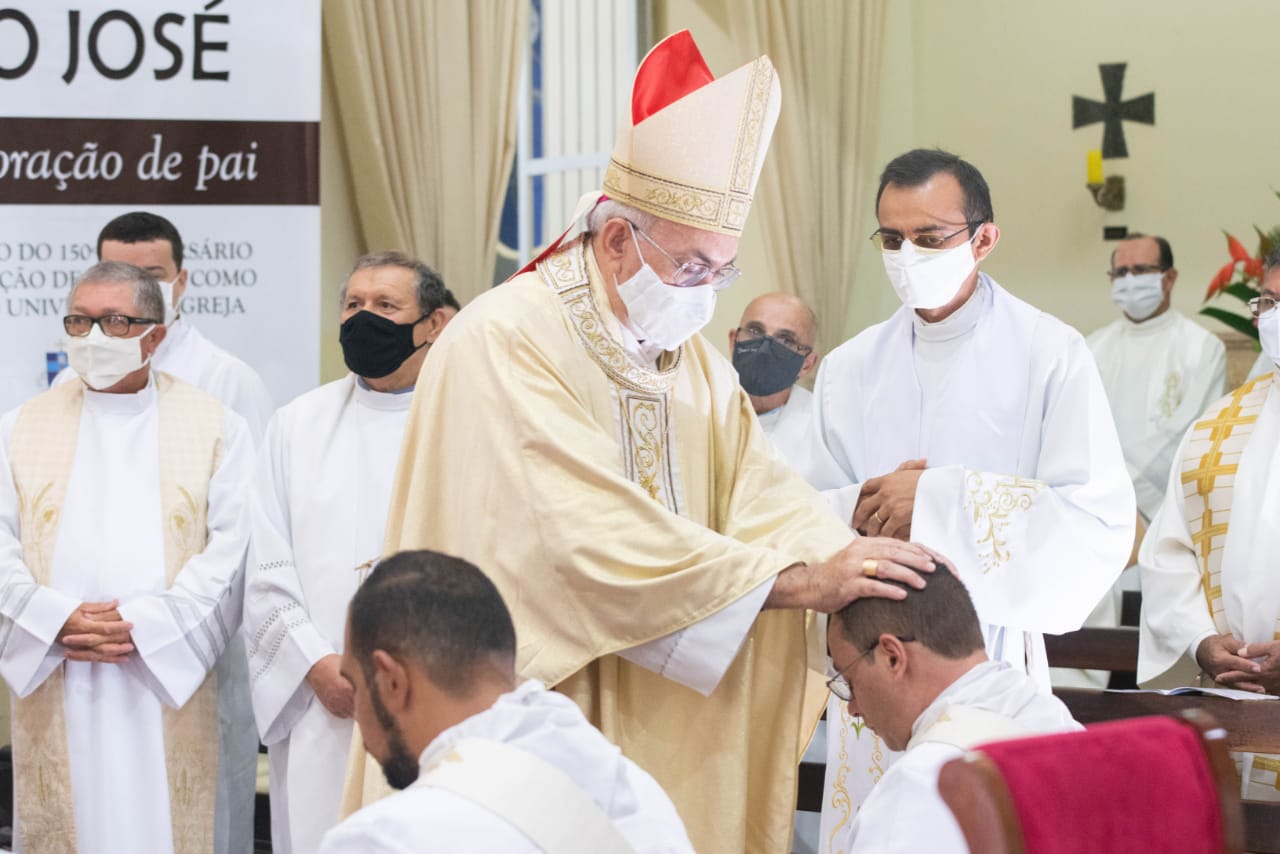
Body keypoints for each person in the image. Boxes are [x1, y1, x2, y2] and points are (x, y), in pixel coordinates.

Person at [343, 31, 944, 854]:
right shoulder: (507, 338)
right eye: (692, 267)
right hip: (531, 711)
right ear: (618, 238)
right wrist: (795, 580)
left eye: (720, 272)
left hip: (660, 717)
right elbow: (573, 532)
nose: (703, 295)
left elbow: (756, 486)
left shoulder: (687, 359)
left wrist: (850, 564)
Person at [806, 148, 1134, 849]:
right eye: (890, 240)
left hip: (981, 657)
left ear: (983, 239)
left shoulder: (1050, 353)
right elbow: (805, 513)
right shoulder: (847, 369)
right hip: (874, 656)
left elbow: (1099, 522)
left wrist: (935, 498)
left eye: (929, 238)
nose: (906, 255)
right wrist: (866, 505)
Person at [0, 261, 253, 853]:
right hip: (59, 663)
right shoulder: (18, 429)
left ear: (155, 336)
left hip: (162, 673)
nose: (92, 338)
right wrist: (51, 617)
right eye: (80, 321)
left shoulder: (216, 426)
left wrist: (150, 628)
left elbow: (236, 547)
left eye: (115, 322)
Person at [54, 210, 272, 854]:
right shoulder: (70, 382)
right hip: (82, 652)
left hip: (187, 650)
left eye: (150, 275)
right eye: (118, 274)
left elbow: (247, 527)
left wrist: (156, 622)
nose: (134, 289)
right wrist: (64, 614)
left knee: (196, 816)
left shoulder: (226, 381)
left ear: (180, 282)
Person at [245, 252, 458, 854]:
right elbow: (265, 563)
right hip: (325, 703)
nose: (364, 318)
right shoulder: (296, 426)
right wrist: (317, 666)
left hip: (431, 695)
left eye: (386, 306)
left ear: (434, 324)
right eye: (353, 305)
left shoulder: (468, 421)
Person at [319, 550, 695, 853]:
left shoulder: (383, 839)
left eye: (355, 683)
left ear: (391, 680)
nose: (359, 724)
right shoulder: (637, 790)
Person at [1139, 246, 1280, 799]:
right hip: (1236, 704)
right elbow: (1169, 550)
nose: (1274, 315)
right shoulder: (1217, 427)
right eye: (1268, 301)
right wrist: (1198, 640)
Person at [828, 568, 1080, 852]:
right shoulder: (1057, 721)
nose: (852, 708)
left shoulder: (922, 783)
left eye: (850, 681)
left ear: (892, 657)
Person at [1087, 233, 1226, 525]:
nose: (1129, 279)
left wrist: (1114, 487)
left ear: (1169, 277)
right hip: (1095, 507)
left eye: (1140, 270)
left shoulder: (1201, 347)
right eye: (1121, 272)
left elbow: (1190, 434)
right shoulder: (1091, 348)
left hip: (1163, 512)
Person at [729, 292, 825, 480]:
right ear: (734, 341)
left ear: (807, 364)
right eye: (755, 331)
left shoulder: (820, 436)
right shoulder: (694, 405)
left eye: (786, 340)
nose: (765, 348)